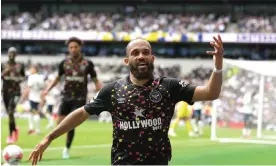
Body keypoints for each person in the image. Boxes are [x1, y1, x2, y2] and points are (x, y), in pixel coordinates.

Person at [29, 35, 224, 165]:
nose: (141, 56)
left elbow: (210, 93)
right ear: (126, 61)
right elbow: (81, 113)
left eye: (146, 52)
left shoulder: (169, 86)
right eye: (135, 53)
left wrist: (218, 67)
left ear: (152, 58)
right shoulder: (112, 90)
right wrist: (50, 137)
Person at [41, 37, 102, 159]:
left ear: (80, 47)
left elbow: (96, 81)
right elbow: (57, 78)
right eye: (71, 47)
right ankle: (58, 140)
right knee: (60, 122)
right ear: (68, 49)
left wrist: (101, 93)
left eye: (76, 47)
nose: (73, 49)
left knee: (71, 123)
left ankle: (66, 149)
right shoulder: (64, 63)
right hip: (66, 96)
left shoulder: (87, 64)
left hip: (79, 97)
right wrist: (47, 89)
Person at [1, 47, 25, 144]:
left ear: (16, 55)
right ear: (7, 54)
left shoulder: (20, 66)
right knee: (9, 113)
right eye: (10, 53)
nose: (12, 54)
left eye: (13, 53)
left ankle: (10, 135)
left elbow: (23, 77)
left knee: (11, 112)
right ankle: (15, 129)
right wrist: (7, 71)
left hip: (16, 92)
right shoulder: (3, 64)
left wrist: (17, 77)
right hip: (5, 91)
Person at [21, 65, 45, 135]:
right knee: (32, 113)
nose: (31, 71)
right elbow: (43, 87)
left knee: (35, 113)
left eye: (31, 69)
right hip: (39, 97)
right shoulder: (41, 77)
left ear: (35, 70)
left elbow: (29, 87)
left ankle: (37, 130)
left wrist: (24, 96)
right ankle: (31, 128)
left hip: (33, 97)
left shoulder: (31, 77)